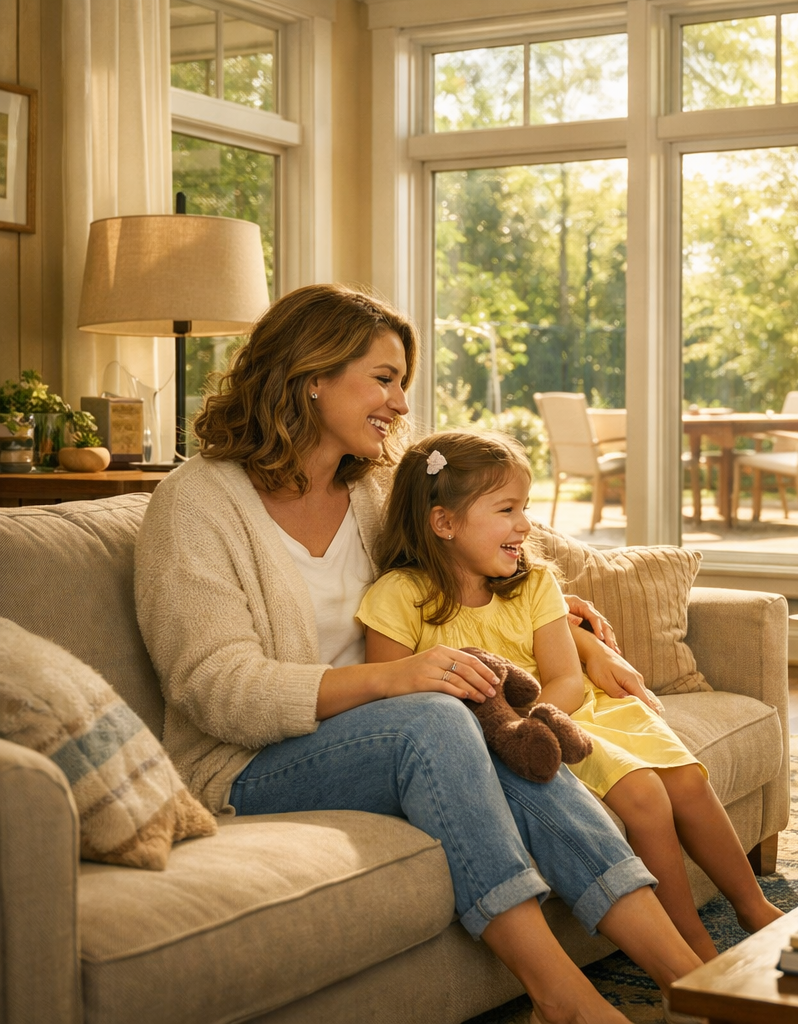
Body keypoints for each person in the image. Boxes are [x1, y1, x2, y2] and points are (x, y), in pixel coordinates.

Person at [135, 283, 704, 1024]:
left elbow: (488, 539)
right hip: (246, 765)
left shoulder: (373, 489)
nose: (402, 403)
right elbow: (213, 686)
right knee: (437, 718)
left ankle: (692, 982)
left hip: (394, 727)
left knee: (517, 743)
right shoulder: (196, 504)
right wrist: (392, 679)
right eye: (384, 378)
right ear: (312, 378)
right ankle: (563, 999)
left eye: (401, 381)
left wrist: (569, 620)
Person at [357, 430, 783, 962]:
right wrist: (511, 732)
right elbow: (390, 698)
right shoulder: (397, 598)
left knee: (689, 781)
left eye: (525, 507)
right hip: (520, 741)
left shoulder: (535, 584)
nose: (524, 525)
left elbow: (567, 678)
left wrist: (536, 715)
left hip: (568, 712)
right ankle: (691, 946)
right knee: (646, 796)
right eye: (507, 509)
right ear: (443, 522)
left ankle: (753, 906)